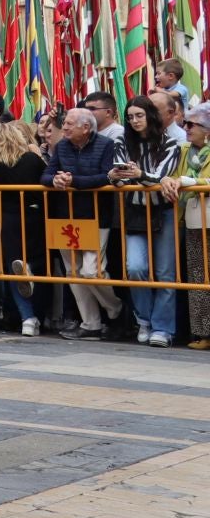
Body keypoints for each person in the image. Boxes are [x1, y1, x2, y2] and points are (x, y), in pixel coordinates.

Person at [45, 108, 128, 341]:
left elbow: (107, 177)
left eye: (70, 123)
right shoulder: (62, 146)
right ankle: (90, 323)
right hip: (66, 217)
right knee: (73, 272)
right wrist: (55, 180)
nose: (65, 127)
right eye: (64, 123)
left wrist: (74, 181)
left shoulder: (106, 145)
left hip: (96, 216)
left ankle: (116, 309)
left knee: (91, 271)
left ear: (86, 127)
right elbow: (45, 175)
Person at [114, 95, 179, 347]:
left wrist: (138, 174)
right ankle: (144, 319)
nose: (134, 121)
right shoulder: (122, 140)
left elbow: (161, 176)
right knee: (135, 267)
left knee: (165, 273)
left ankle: (163, 328)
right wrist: (117, 176)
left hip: (163, 210)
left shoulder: (169, 143)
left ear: (150, 116)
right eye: (130, 117)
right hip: (135, 210)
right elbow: (121, 176)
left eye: (139, 115)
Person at [0, 121, 51, 336]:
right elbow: (47, 176)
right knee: (41, 267)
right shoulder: (31, 158)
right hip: (35, 215)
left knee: (13, 266)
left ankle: (27, 318)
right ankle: (39, 315)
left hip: (7, 218)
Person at [163, 105, 210, 350]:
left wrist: (188, 181)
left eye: (192, 124)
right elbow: (168, 174)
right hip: (192, 222)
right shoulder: (182, 150)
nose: (186, 128)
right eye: (186, 123)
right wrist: (166, 180)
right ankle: (203, 333)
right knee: (198, 279)